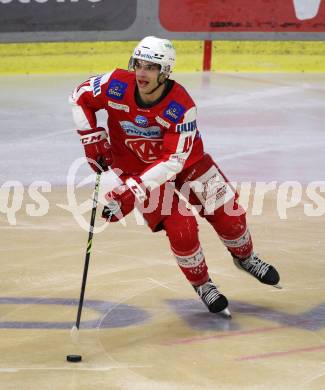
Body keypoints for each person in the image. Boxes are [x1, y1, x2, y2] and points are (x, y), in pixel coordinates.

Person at [70, 36, 280, 317]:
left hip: (185, 163)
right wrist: (91, 138)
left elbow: (172, 161)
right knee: (182, 228)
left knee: (229, 216)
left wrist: (132, 191)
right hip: (135, 167)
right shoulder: (115, 84)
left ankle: (245, 258)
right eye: (138, 64)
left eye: (151, 67)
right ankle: (203, 285)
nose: (142, 73)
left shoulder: (181, 106)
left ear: (165, 71)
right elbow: (79, 96)